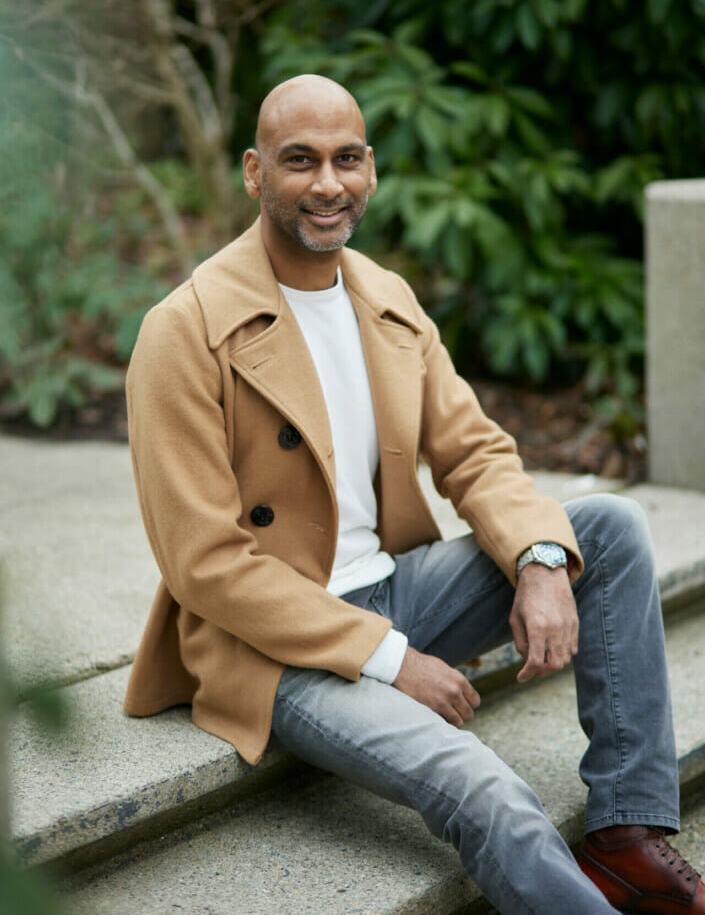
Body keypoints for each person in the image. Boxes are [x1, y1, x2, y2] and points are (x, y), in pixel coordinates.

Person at [124, 74, 704, 915]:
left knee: (603, 527)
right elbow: (205, 566)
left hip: (396, 589)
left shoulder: (384, 297)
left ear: (370, 169)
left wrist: (540, 561)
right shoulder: (183, 330)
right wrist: (391, 661)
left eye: (346, 159)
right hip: (277, 648)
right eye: (299, 161)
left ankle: (624, 834)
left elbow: (473, 451)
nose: (328, 184)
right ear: (254, 174)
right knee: (488, 791)